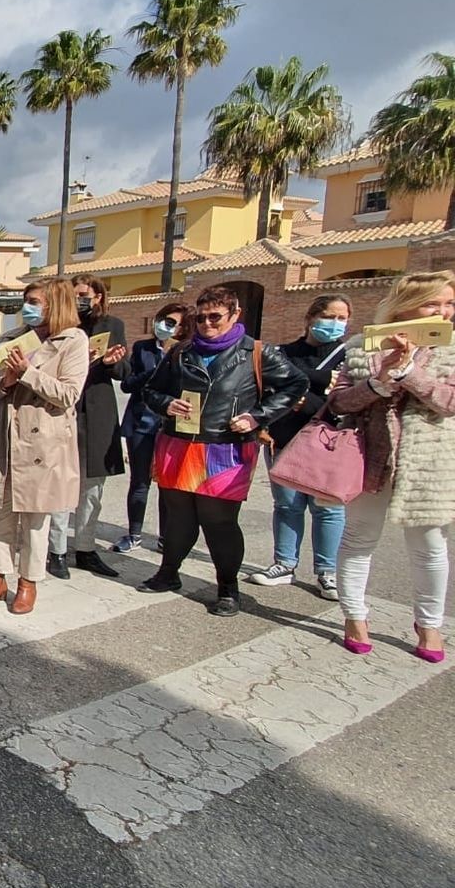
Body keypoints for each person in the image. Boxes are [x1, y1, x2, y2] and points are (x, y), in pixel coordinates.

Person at [140, 286, 305, 615]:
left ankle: (228, 588)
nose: (206, 324)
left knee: (219, 522)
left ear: (235, 315)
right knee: (178, 518)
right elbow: (150, 390)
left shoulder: (258, 352)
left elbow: (295, 384)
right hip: (179, 444)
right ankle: (168, 572)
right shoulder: (181, 352)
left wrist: (256, 416)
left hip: (225, 449)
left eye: (215, 317)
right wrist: (166, 403)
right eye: (200, 318)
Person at [327, 272, 455, 661]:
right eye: (434, 304)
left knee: (430, 548)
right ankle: (354, 615)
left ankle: (429, 625)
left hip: (427, 466)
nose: (444, 312)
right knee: (358, 539)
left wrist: (410, 374)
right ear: (405, 307)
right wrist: (380, 381)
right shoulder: (362, 347)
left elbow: (450, 402)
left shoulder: (451, 349)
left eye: (450, 304)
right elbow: (339, 403)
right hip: (369, 459)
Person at [0, 278, 88, 614]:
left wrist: (27, 372)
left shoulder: (72, 341)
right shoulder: (13, 339)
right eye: (27, 301)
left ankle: (28, 581)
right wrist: (5, 381)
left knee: (36, 517)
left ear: (56, 303)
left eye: (36, 301)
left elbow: (68, 394)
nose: (29, 307)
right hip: (4, 439)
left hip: (43, 444)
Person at [247, 295, 353, 599]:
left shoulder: (349, 356)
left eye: (341, 318)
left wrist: (299, 390)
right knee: (287, 505)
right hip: (284, 438)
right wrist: (316, 384)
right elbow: (268, 386)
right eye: (329, 316)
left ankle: (327, 572)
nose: (335, 324)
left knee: (328, 509)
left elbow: (342, 395)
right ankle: (284, 564)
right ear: (310, 318)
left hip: (329, 442)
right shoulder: (283, 351)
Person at [47, 276, 129, 579]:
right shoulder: (59, 326)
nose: (79, 299)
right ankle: (56, 550)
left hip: (97, 412)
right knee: (59, 485)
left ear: (98, 296)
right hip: (62, 411)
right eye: (74, 294)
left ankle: (85, 548)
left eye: (84, 295)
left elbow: (124, 372)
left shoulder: (112, 325)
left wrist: (109, 362)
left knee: (92, 489)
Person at [112, 302, 190, 553]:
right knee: (140, 481)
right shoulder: (143, 348)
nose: (162, 325)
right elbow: (128, 384)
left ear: (182, 329)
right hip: (141, 424)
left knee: (168, 485)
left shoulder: (187, 351)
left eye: (170, 323)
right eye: (161, 319)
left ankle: (166, 537)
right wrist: (155, 370)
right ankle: (134, 534)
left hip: (171, 426)